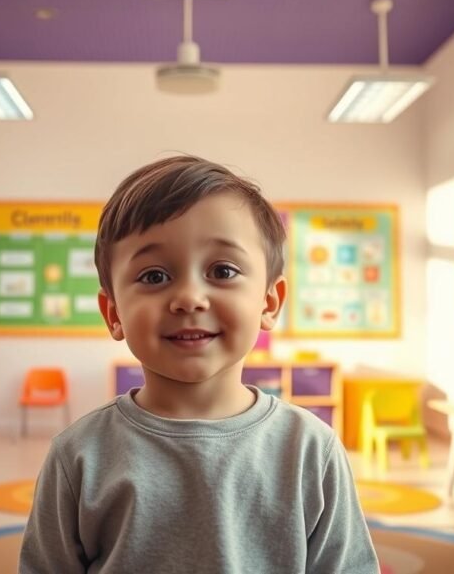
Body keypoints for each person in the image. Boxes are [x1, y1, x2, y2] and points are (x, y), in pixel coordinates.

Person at [19, 155, 379, 573]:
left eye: (222, 270)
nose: (189, 298)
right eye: (154, 276)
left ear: (269, 302)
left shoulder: (310, 450)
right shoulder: (79, 455)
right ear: (113, 312)